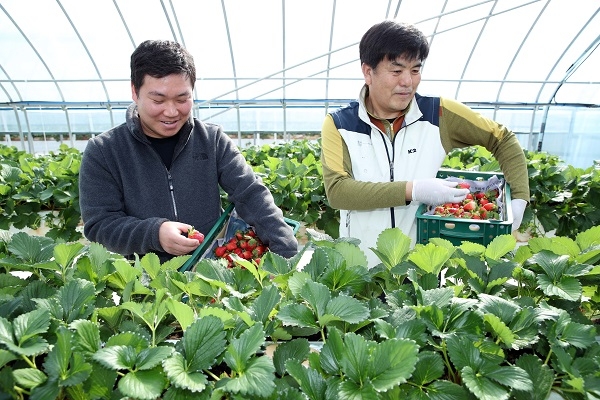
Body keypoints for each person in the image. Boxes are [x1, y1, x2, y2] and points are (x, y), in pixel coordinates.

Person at [320, 20, 529, 267]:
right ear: (368, 72)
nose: (407, 81)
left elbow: (502, 139)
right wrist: (414, 190)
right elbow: (338, 192)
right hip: (362, 268)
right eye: (396, 71)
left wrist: (520, 198)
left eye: (415, 70)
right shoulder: (339, 124)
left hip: (423, 267)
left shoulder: (438, 113)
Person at [79, 40, 298, 263]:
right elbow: (100, 225)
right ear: (135, 91)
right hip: (147, 280)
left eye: (182, 99)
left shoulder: (211, 140)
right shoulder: (105, 151)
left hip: (212, 273)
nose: (172, 111)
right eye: (158, 100)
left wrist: (286, 254)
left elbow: (251, 194)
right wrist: (155, 233)